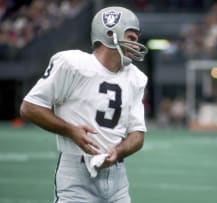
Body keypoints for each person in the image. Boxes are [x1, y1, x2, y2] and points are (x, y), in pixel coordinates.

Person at [20, 6, 148, 203]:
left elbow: (137, 135)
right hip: (75, 174)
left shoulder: (136, 78)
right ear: (110, 34)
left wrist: (119, 151)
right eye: (130, 37)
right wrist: (70, 130)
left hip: (118, 179)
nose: (135, 44)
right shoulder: (73, 64)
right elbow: (29, 107)